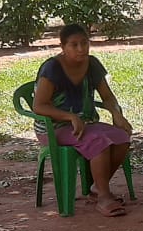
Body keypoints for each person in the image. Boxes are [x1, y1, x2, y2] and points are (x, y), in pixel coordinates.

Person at [32, 23, 134, 218]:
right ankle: (104, 197)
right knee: (99, 142)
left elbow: (108, 97)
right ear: (63, 47)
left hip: (86, 124)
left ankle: (96, 187)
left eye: (84, 43)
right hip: (54, 127)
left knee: (122, 137)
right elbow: (39, 106)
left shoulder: (93, 64)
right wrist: (70, 116)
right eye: (74, 45)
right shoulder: (52, 68)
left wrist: (117, 114)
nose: (81, 49)